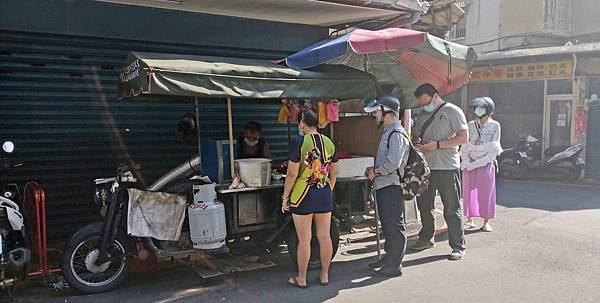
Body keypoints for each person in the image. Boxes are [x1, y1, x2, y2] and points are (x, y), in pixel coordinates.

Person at [409, 83, 469, 261]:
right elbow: (416, 134)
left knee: (451, 208)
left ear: (435, 96)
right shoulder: (422, 114)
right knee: (424, 206)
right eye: (421, 103)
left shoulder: (452, 111)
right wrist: (418, 142)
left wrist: (437, 145)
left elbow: (464, 137)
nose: (424, 106)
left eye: (426, 102)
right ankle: (426, 238)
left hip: (447, 167)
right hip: (426, 167)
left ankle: (458, 246)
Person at [281, 109, 339, 288]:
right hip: (323, 193)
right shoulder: (329, 142)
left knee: (304, 239)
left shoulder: (298, 141)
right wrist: (328, 189)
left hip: (302, 195)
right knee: (324, 237)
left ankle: (302, 278)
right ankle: (324, 275)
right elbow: (334, 171)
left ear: (302, 123)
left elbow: (291, 173)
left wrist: (285, 198)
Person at [363, 95, 410, 277]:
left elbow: (393, 163)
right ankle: (389, 258)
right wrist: (374, 169)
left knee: (394, 225)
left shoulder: (397, 133)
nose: (374, 115)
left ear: (387, 112)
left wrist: (376, 171)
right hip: (384, 185)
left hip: (392, 185)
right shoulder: (388, 131)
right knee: (388, 225)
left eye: (376, 112)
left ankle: (394, 265)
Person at [462, 97, 502, 232]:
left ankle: (486, 221)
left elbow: (494, 148)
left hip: (485, 162)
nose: (477, 111)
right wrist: (466, 161)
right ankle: (469, 219)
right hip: (470, 160)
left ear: (488, 110)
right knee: (468, 191)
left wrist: (479, 159)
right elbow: (465, 144)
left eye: (480, 108)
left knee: (486, 192)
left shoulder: (495, 125)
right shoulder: (471, 124)